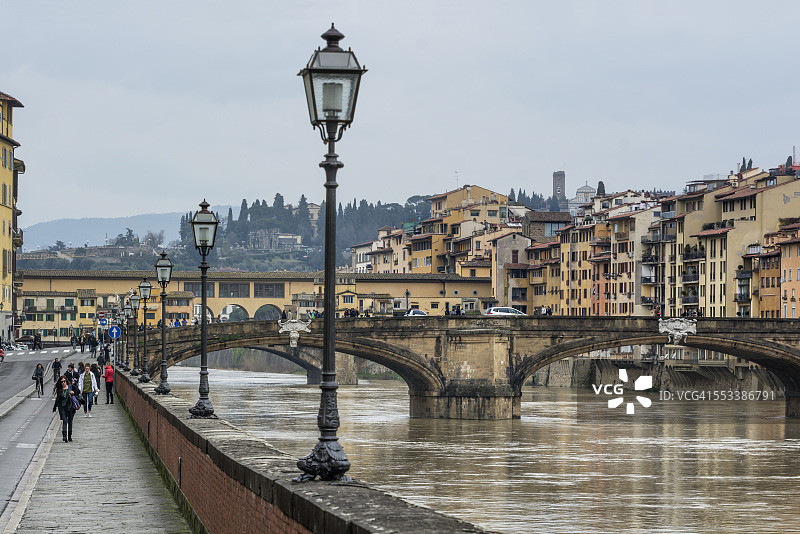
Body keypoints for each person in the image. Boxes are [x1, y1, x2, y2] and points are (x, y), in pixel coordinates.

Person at [53, 375, 77, 442]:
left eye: (64, 381)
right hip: (62, 407)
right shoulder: (60, 389)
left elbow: (78, 391)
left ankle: (69, 436)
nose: (63, 383)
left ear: (66, 381)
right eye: (62, 382)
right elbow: (57, 399)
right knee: (64, 420)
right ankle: (64, 436)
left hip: (70, 407)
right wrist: (55, 407)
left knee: (70, 421)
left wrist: (73, 393)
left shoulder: (71, 387)